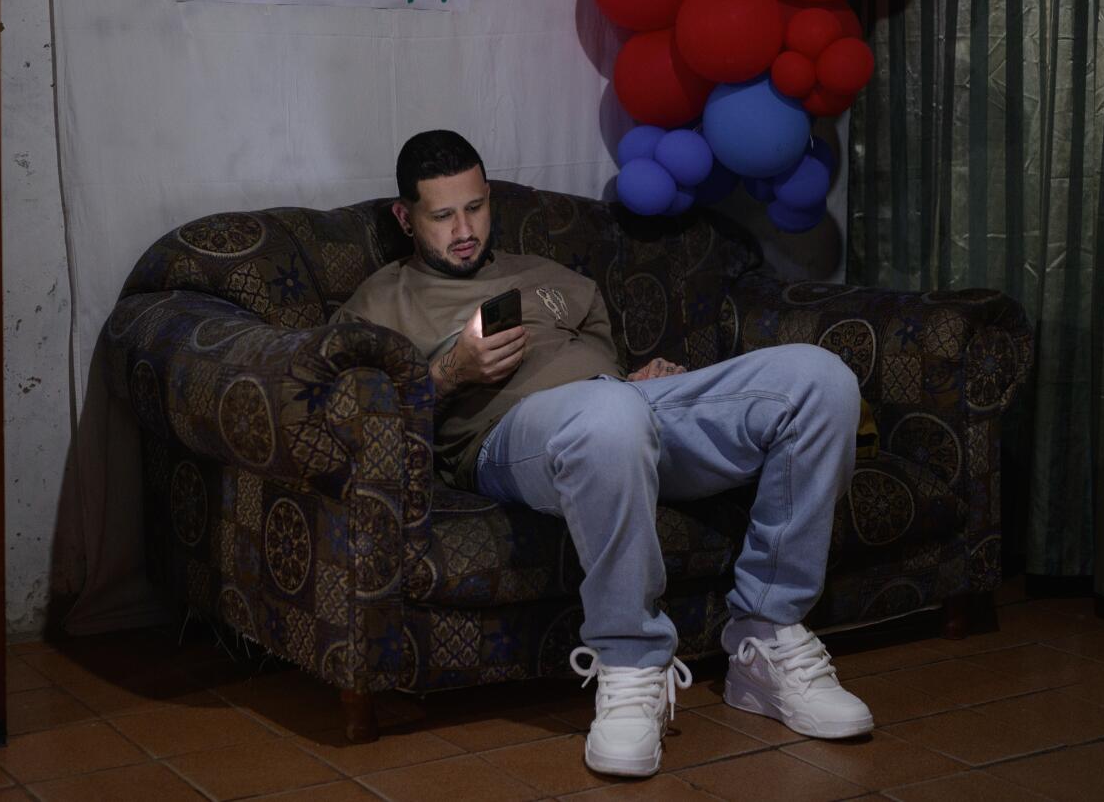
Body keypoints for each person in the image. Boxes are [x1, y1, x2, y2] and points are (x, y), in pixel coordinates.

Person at [335, 130, 874, 779]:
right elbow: (343, 414)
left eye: (475, 207)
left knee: (821, 382)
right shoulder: (382, 300)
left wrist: (633, 384)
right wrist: (448, 370)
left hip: (617, 415)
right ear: (405, 217)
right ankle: (631, 660)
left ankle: (766, 635)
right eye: (442, 215)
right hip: (508, 439)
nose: (464, 230)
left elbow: (601, 360)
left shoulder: (551, 276)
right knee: (608, 417)